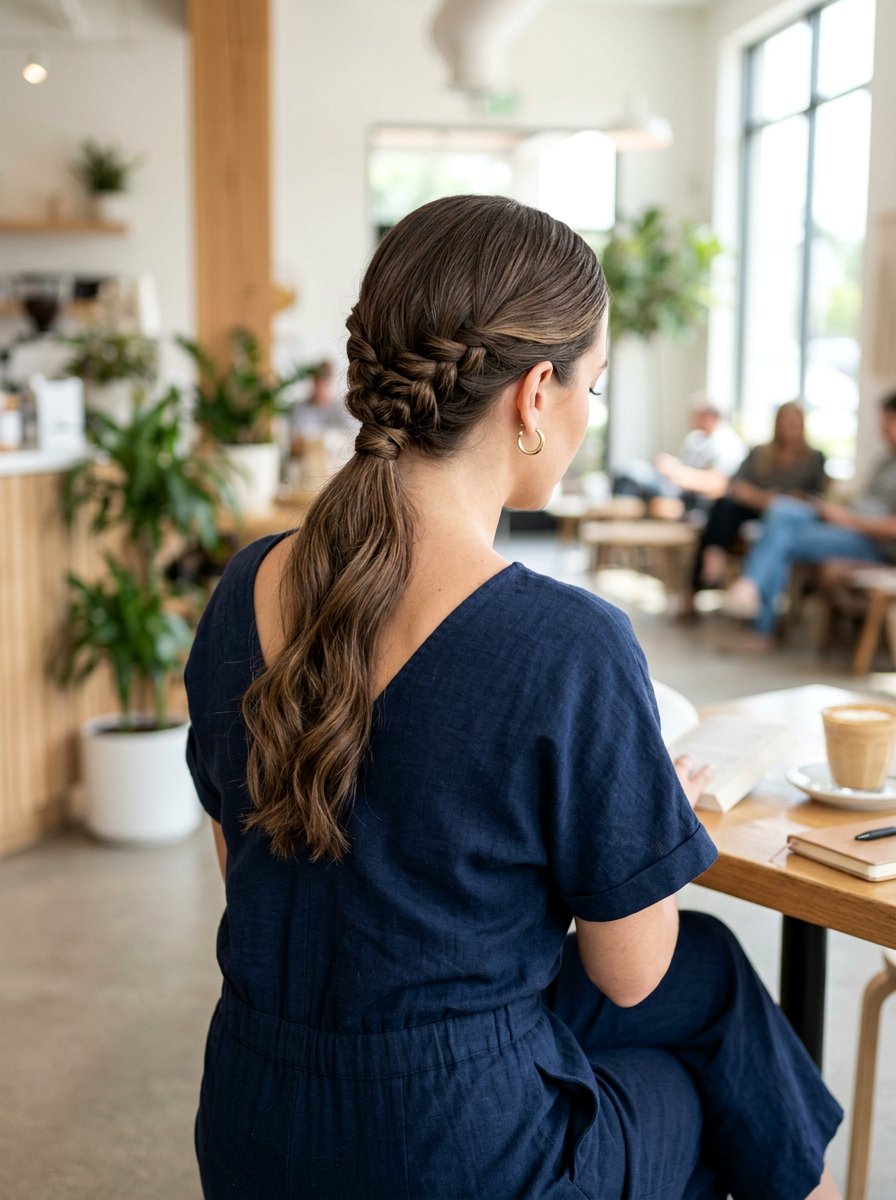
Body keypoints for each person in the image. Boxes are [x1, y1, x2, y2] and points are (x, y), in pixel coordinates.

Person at [185, 195, 842, 1200]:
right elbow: (628, 973)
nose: (590, 414)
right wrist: (638, 804)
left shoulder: (245, 587)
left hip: (250, 1117)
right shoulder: (564, 644)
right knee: (693, 1086)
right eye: (596, 385)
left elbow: (252, 872)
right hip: (447, 1150)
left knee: (711, 976)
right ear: (535, 394)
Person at [724, 392, 896, 641]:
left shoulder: (813, 456)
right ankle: (755, 605)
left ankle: (755, 604)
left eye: (887, 421)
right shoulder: (885, 460)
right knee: (781, 509)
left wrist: (847, 519)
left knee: (778, 537)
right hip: (849, 524)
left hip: (873, 542)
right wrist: (836, 510)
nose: (882, 428)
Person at [691, 401, 828, 595]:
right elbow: (737, 486)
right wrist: (763, 498)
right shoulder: (760, 452)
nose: (789, 427)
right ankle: (711, 563)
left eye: (794, 422)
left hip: (788, 515)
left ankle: (751, 588)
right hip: (755, 506)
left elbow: (816, 499)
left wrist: (782, 500)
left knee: (778, 520)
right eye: (785, 421)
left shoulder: (814, 458)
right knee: (723, 505)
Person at [613, 399, 746, 515]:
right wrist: (669, 464)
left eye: (697, 416)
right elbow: (684, 464)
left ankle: (619, 527)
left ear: (710, 417)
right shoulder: (696, 438)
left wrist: (677, 472)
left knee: (633, 473)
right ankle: (619, 526)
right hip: (673, 485)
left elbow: (718, 483)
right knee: (625, 473)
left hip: (690, 497)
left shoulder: (727, 443)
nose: (692, 420)